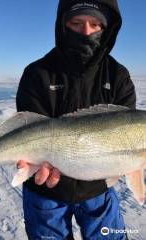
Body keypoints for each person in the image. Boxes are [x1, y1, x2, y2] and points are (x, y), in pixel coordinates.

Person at [16, 0, 136, 239]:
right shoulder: (37, 73)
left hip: (98, 189)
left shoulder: (118, 76)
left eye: (95, 24)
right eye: (76, 23)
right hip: (45, 192)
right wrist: (35, 161)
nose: (86, 32)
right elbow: (28, 129)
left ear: (107, 28)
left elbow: (127, 131)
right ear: (62, 25)